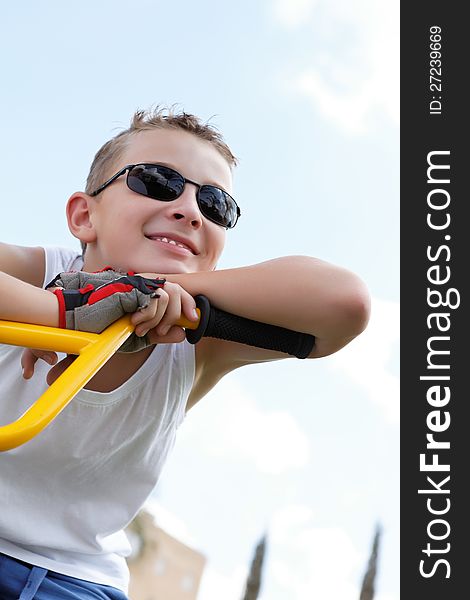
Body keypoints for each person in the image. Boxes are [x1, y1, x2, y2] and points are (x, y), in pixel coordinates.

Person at [0, 106, 371, 599]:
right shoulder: (32, 270)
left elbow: (344, 302)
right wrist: (60, 310)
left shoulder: (200, 338)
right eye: (157, 181)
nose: (191, 210)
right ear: (84, 216)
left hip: (76, 582)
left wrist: (145, 289)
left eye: (216, 206)